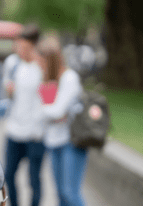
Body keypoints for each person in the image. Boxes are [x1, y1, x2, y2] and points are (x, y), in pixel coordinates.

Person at [38, 35, 87, 206]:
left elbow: (58, 111)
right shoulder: (48, 82)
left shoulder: (69, 78)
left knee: (70, 193)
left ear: (50, 60)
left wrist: (42, 110)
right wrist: (52, 113)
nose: (40, 66)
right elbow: (54, 114)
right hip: (54, 141)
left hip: (72, 141)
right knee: (60, 194)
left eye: (42, 62)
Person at [2, 24, 45, 206]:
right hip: (14, 129)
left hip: (35, 132)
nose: (22, 51)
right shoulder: (12, 64)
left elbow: (49, 98)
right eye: (19, 46)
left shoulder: (42, 67)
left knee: (33, 178)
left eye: (26, 48)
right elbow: (8, 93)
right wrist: (9, 91)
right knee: (8, 174)